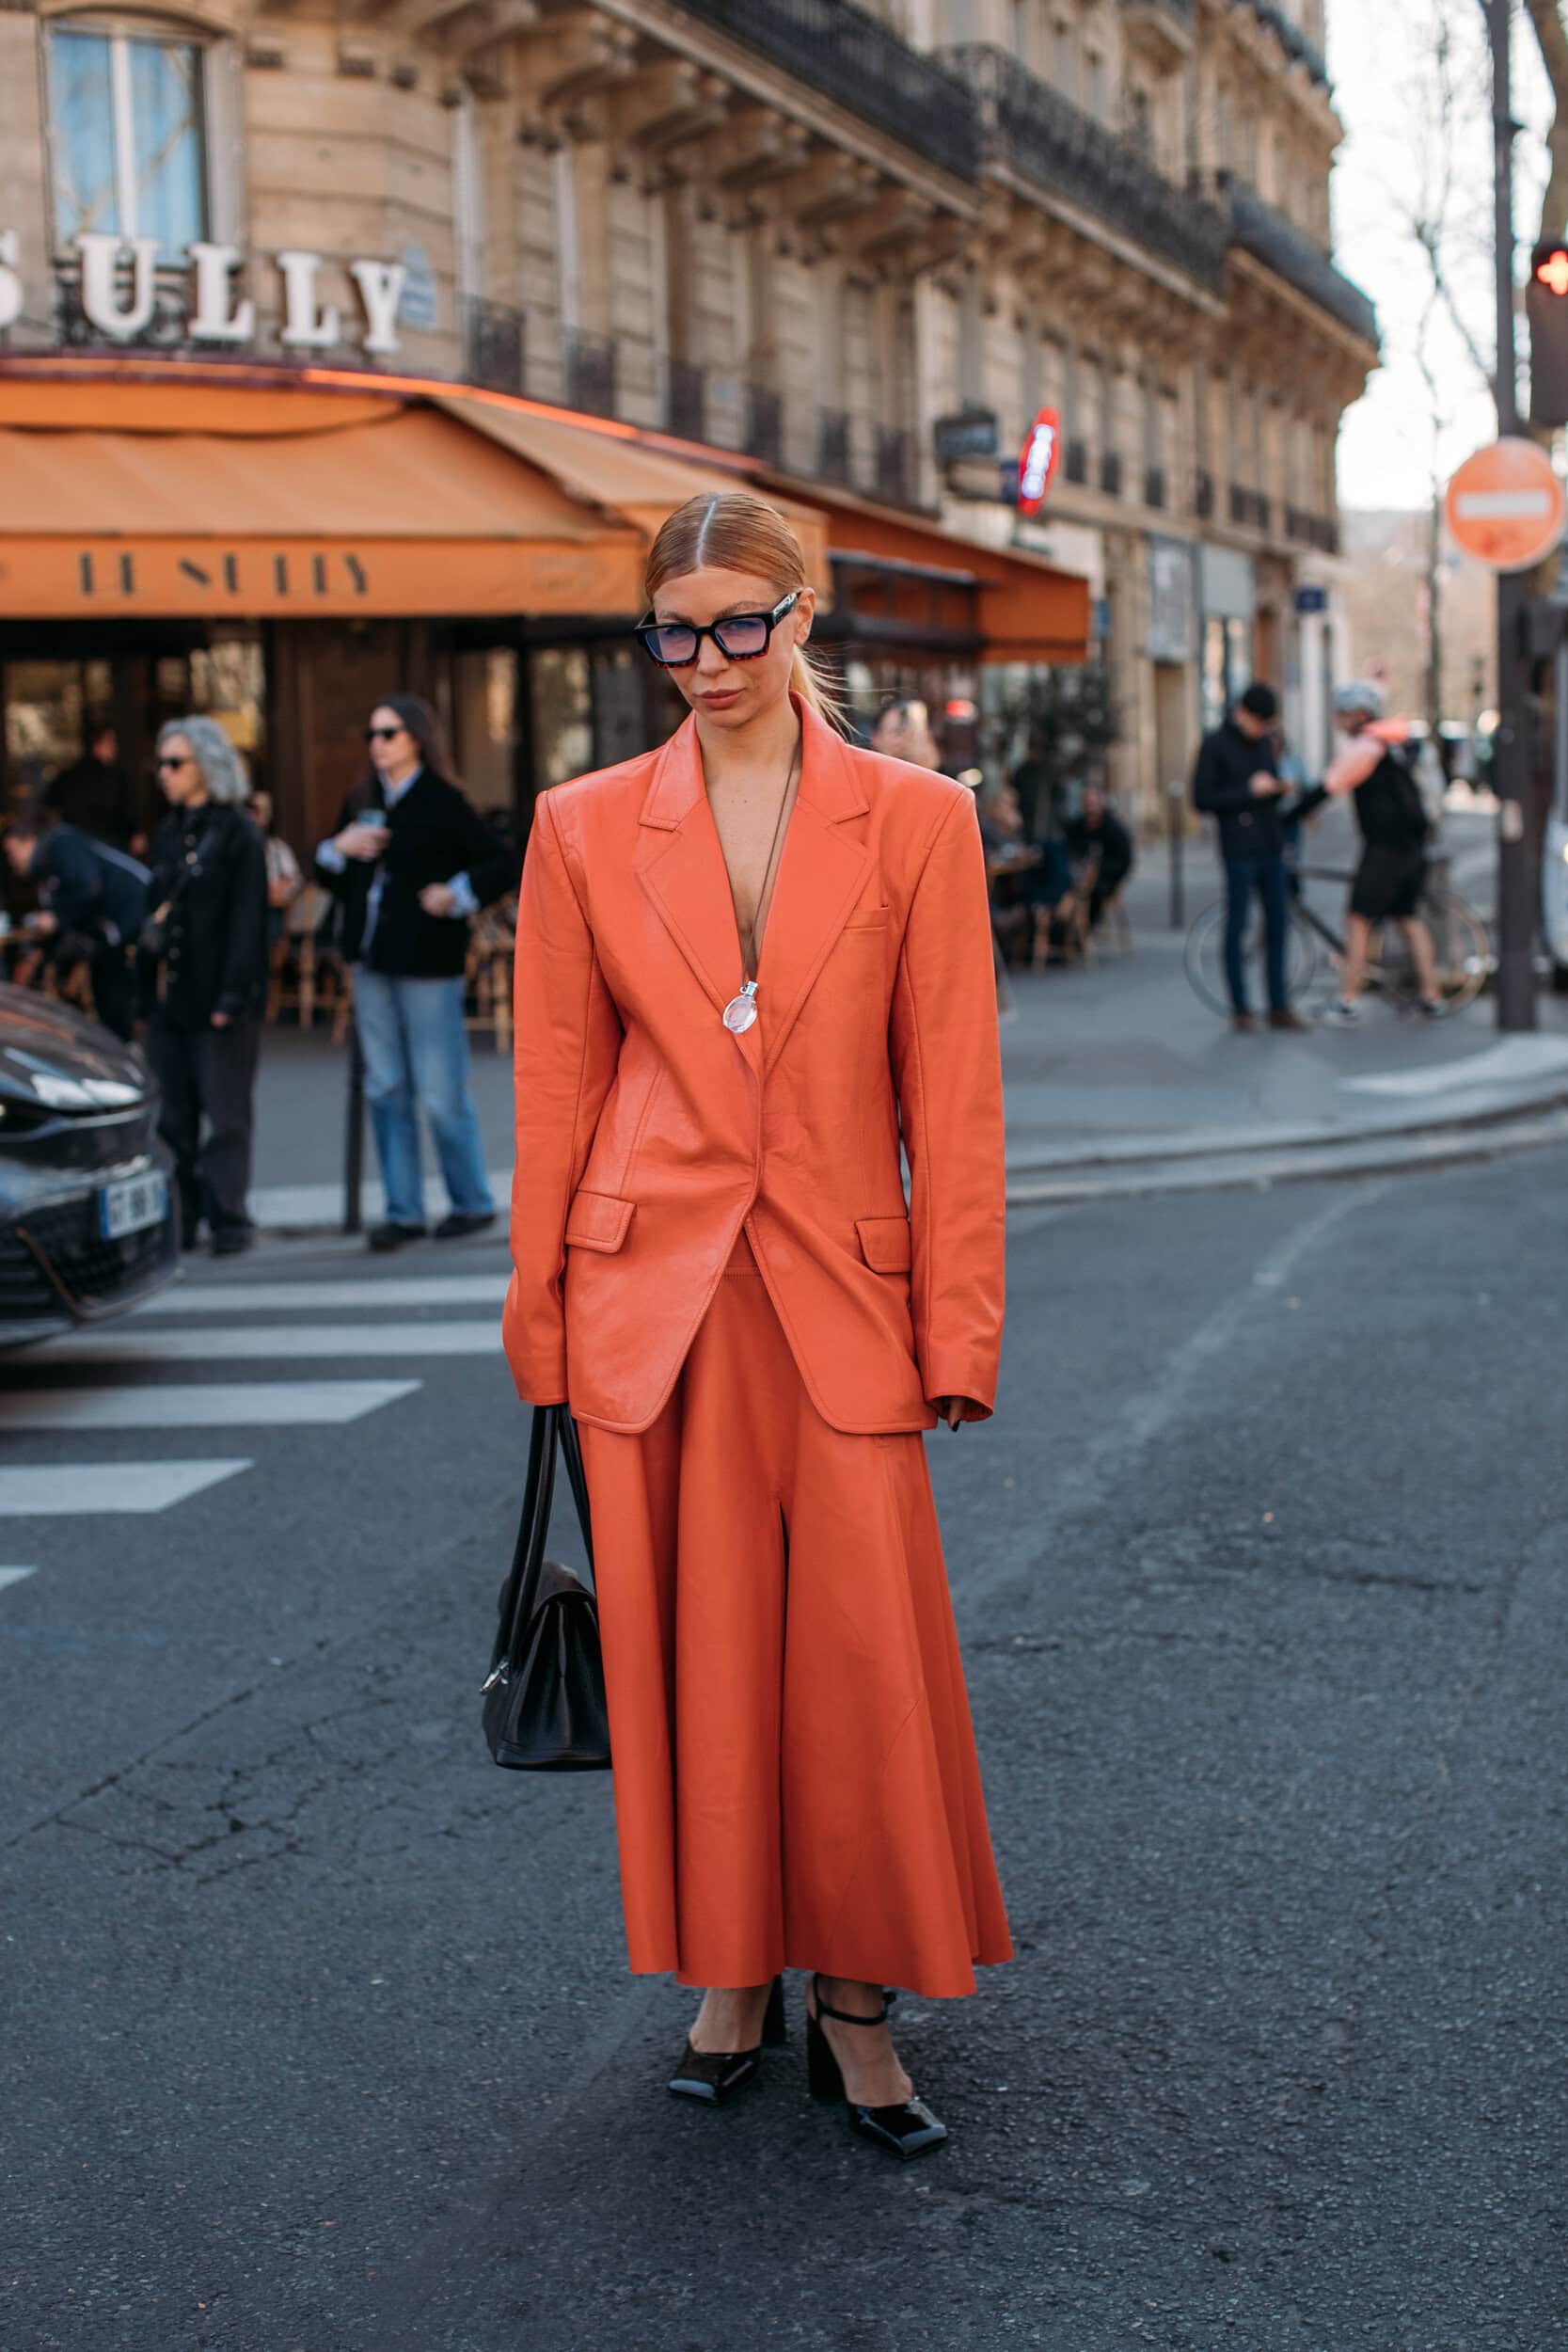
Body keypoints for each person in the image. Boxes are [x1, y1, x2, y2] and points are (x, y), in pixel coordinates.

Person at [506, 491, 1009, 2157]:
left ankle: (856, 2002)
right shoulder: (580, 825)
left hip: (844, 1292)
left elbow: (953, 1097)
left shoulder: (919, 821)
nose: (703, 660)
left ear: (807, 617)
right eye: (672, 629)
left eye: (737, 622)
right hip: (650, 1296)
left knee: (859, 1659)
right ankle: (728, 1976)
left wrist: (961, 1330)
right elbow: (560, 1084)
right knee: (695, 1658)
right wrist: (542, 1315)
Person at [315, 695, 519, 1252]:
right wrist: (338, 848)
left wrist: (454, 895)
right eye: (373, 734)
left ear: (417, 739)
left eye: (389, 733)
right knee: (385, 1087)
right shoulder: (362, 800)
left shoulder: (443, 800)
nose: (378, 743)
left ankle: (471, 1201)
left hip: (429, 961)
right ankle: (403, 1210)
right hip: (370, 959)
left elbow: (501, 861)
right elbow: (330, 876)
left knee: (438, 1089)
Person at [142, 719, 269, 1253]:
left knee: (225, 1114)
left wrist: (233, 996)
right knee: (173, 1116)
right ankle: (183, 1217)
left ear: (207, 766)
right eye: (161, 763)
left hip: (219, 996)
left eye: (175, 763)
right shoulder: (168, 831)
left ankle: (228, 1217)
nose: (164, 774)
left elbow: (249, 922)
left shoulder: (238, 832)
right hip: (169, 997)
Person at [1296, 682, 1444, 1025]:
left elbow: (1327, 786)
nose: (1338, 720)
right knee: (1409, 921)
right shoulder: (1396, 745)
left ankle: (1347, 1001)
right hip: (1413, 847)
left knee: (1358, 921)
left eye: (1343, 714)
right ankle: (1431, 996)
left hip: (1384, 850)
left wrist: (1288, 816)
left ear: (1359, 715)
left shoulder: (1367, 747)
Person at [1192, 682, 1308, 1033]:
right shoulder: (1215, 744)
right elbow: (1202, 799)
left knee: (1277, 924)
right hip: (1239, 848)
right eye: (1260, 723)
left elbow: (1267, 783)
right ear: (1243, 713)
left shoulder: (1263, 743)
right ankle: (1241, 1007)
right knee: (1238, 925)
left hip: (1271, 842)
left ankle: (1278, 1003)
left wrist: (1277, 788)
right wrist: (1247, 791)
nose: (1263, 730)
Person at [1, 810, 149, 1041]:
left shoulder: (60, 843)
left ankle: (124, 1049)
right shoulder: (48, 868)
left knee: (118, 997)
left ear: (27, 840)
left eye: (11, 853)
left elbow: (88, 887)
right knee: (106, 991)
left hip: (135, 917)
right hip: (115, 930)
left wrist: (56, 918)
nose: (11, 862)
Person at [43, 721, 140, 852]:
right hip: (109, 851)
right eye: (110, 742)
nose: (115, 747)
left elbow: (49, 805)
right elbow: (129, 815)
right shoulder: (117, 778)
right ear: (96, 745)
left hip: (76, 850)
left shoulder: (68, 776)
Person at [1064, 784, 1133, 930]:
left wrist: (1099, 871)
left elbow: (1124, 860)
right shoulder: (1077, 826)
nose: (1090, 808)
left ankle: (1085, 930)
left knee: (1095, 892)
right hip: (1078, 874)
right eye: (1087, 804)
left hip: (1105, 878)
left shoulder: (1114, 829)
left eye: (1093, 804)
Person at [250, 790, 302, 954]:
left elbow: (293, 879)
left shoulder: (277, 848)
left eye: (256, 814)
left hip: (271, 912)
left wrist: (279, 888)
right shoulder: (232, 849)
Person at [869, 697, 941, 771]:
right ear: (875, 738)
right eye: (897, 732)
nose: (905, 739)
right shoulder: (866, 776)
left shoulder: (942, 777)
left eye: (912, 734)